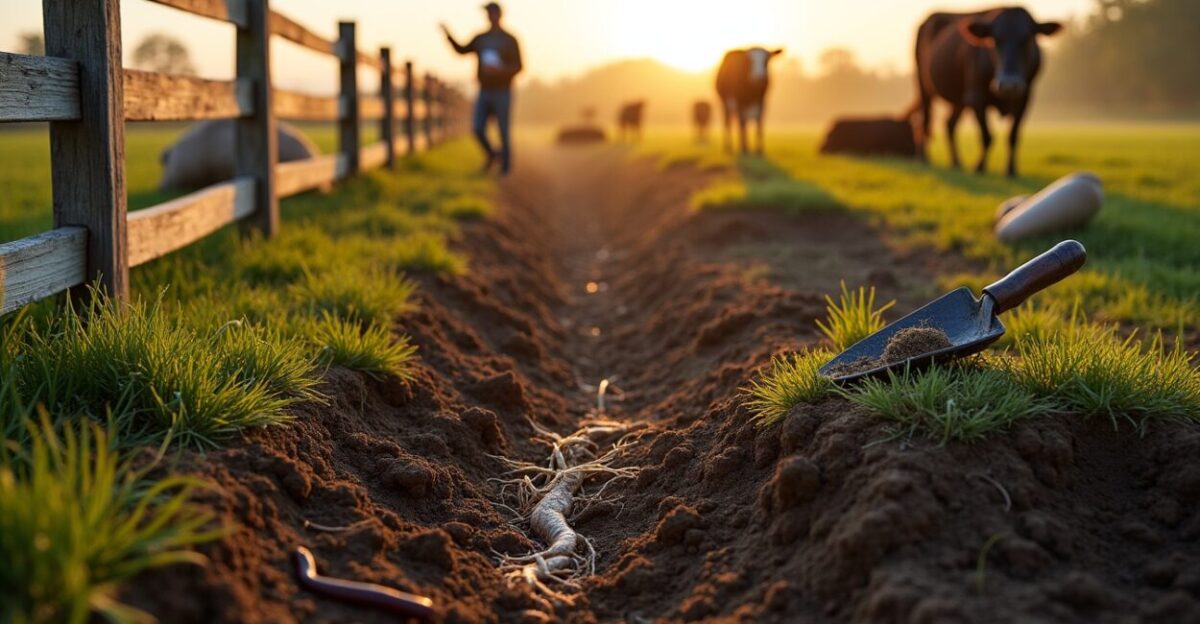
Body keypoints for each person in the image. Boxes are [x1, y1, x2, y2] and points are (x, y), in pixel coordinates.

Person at [441, 2, 522, 175]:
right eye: (487, 13)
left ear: (499, 15)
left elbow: (519, 66)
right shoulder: (481, 39)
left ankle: (505, 167)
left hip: (503, 90)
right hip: (484, 90)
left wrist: (500, 70)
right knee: (477, 128)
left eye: (491, 13)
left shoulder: (509, 40)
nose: (489, 16)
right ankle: (492, 154)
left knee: (503, 128)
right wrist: (448, 35)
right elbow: (462, 50)